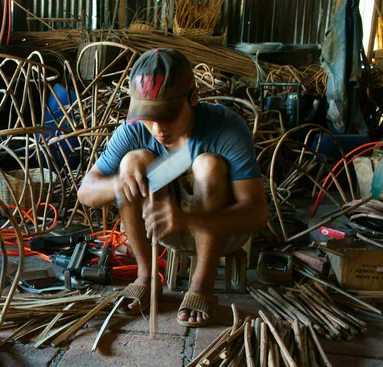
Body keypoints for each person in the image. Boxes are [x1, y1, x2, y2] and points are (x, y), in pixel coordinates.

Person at [77, 48, 269, 327]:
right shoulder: (134, 130)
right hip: (163, 229)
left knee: (208, 164)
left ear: (193, 98)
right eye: (149, 116)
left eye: (167, 115)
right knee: (133, 161)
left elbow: (257, 214)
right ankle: (146, 276)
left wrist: (187, 218)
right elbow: (86, 192)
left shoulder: (225, 127)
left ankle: (201, 284)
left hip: (223, 233)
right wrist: (122, 181)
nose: (157, 128)